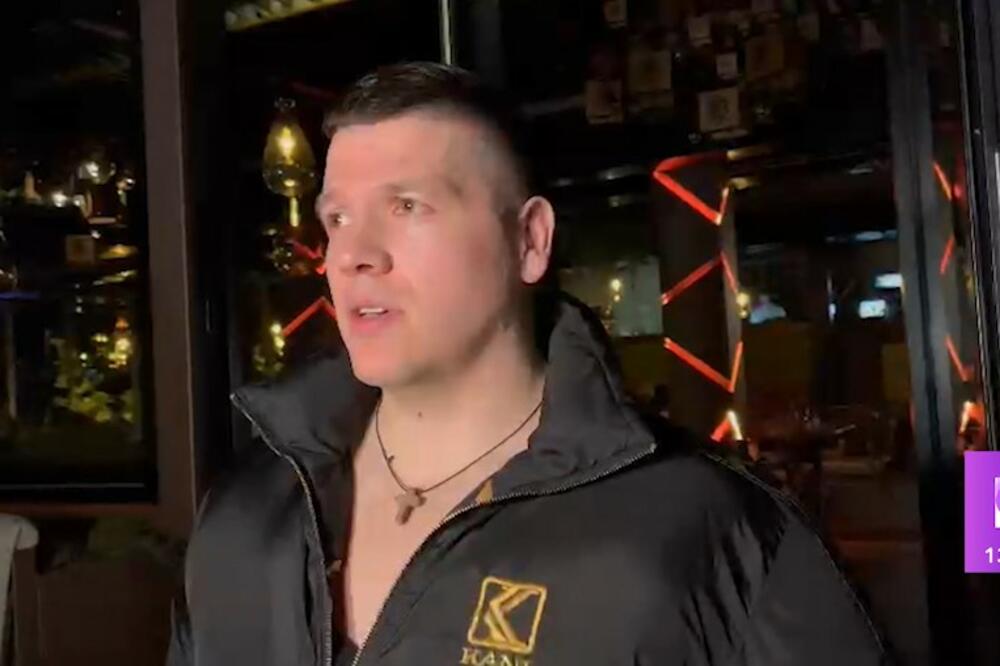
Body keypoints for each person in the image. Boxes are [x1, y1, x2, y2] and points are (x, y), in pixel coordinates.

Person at [168, 63, 888, 666]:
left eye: (407, 206)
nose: (353, 254)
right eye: (337, 219)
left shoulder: (706, 529)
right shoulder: (247, 513)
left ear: (530, 241)